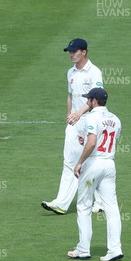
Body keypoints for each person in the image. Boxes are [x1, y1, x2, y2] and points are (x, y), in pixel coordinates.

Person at [42, 38, 104, 215]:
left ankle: (100, 202)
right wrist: (70, 114)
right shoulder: (70, 73)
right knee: (69, 162)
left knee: (90, 162)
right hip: (74, 123)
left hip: (90, 121)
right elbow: (70, 96)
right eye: (70, 51)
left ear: (84, 52)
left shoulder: (94, 72)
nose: (71, 54)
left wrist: (79, 113)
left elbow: (96, 99)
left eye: (75, 51)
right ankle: (61, 203)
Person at [67, 88, 123, 261]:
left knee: (84, 206)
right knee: (112, 208)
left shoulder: (91, 117)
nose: (87, 102)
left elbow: (91, 143)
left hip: (93, 164)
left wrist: (80, 162)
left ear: (94, 101)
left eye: (89, 100)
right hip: (109, 164)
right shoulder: (115, 118)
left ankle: (83, 249)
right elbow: (110, 139)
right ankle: (115, 249)